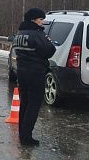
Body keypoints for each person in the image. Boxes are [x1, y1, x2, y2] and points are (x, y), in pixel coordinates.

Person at [11, 8, 56, 146]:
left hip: (22, 72)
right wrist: (48, 41)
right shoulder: (37, 34)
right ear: (33, 20)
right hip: (36, 72)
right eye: (40, 20)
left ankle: (22, 134)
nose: (42, 23)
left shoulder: (20, 34)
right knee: (33, 105)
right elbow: (50, 51)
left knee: (24, 103)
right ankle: (27, 137)